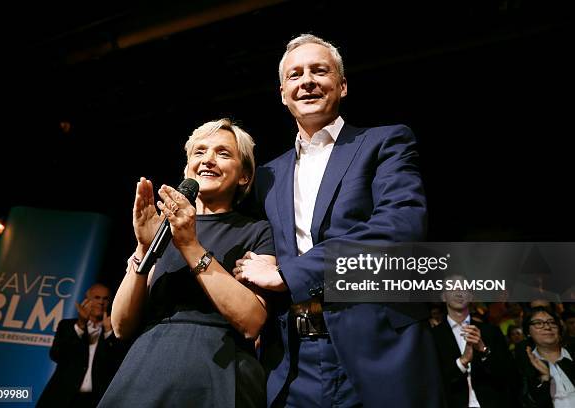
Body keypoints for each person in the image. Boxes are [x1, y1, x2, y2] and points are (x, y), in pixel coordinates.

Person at [233, 34, 443, 407]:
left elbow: (400, 227)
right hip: (292, 362)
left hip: (377, 350)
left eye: (319, 70)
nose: (307, 80)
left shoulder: (386, 142)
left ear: (342, 85)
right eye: (295, 75)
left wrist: (290, 273)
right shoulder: (267, 175)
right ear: (283, 93)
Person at [98, 119, 276, 408]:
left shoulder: (257, 231)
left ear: (244, 175)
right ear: (187, 167)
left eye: (223, 153)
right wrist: (144, 248)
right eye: (199, 152)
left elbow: (252, 322)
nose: (208, 159)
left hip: (217, 372)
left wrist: (191, 246)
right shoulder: (161, 229)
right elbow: (120, 326)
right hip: (146, 368)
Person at [432, 276, 518, 407]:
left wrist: (484, 350)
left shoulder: (491, 331)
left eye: (463, 288)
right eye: (453, 288)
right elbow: (433, 382)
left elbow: (509, 375)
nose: (459, 292)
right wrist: (462, 362)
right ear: (443, 296)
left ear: (471, 296)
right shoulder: (433, 336)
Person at [37, 283, 126, 408]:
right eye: (97, 297)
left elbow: (117, 365)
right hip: (62, 398)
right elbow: (57, 354)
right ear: (87, 300)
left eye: (105, 299)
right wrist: (80, 325)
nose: (101, 302)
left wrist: (108, 333)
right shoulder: (68, 326)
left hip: (94, 401)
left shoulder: (114, 332)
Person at [519, 307, 575, 408]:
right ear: (528, 332)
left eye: (552, 322)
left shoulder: (572, 353)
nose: (547, 327)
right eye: (538, 323)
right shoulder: (525, 366)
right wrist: (544, 378)